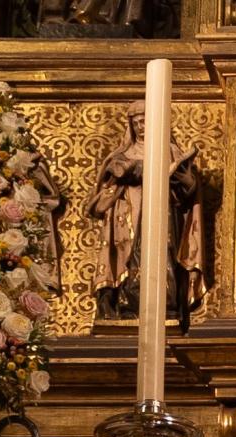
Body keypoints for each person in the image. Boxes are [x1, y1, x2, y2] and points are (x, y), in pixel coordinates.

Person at [86, 101, 206, 325]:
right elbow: (112, 178)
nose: (142, 127)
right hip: (128, 215)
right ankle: (126, 304)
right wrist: (139, 170)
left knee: (164, 256)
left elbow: (188, 192)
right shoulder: (123, 153)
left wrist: (184, 179)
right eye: (137, 123)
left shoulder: (171, 152)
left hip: (163, 217)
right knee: (127, 256)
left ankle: (167, 305)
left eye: (146, 122)